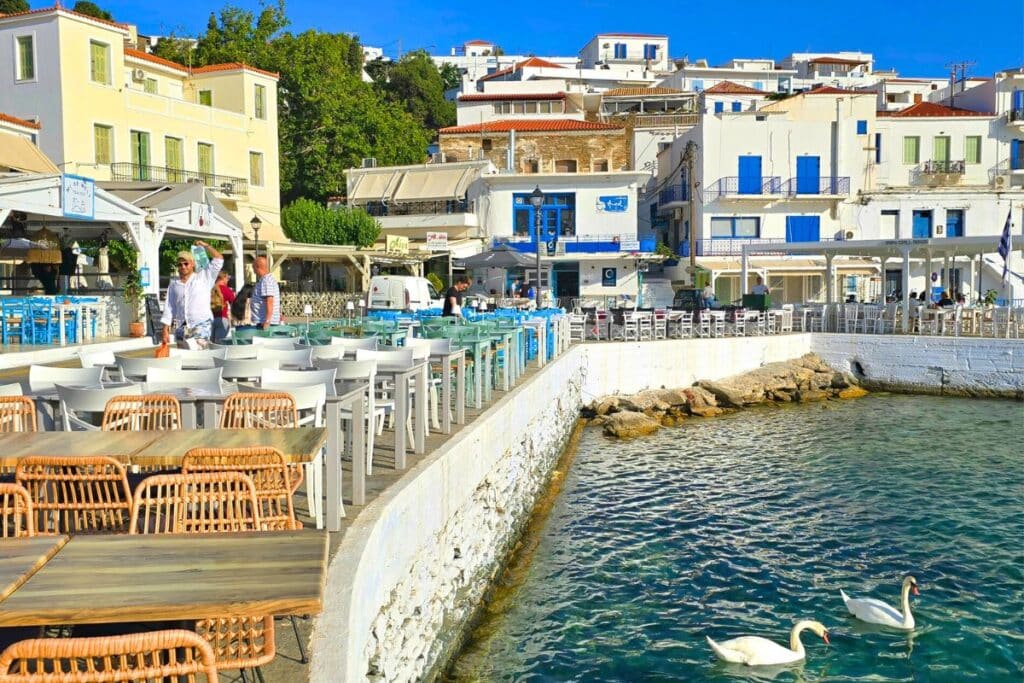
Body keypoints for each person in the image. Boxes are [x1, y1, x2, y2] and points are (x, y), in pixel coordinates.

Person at [160, 240, 223, 347]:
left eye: (186, 263)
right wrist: (165, 330)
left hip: (201, 324)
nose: (183, 266)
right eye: (180, 264)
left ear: (192, 264)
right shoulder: (174, 285)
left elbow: (218, 259)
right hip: (181, 326)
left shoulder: (204, 277)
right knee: (183, 358)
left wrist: (206, 246)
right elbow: (169, 308)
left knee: (198, 355)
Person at [249, 256, 280, 330]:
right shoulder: (266, 279)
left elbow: (270, 301)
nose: (253, 270)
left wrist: (267, 320)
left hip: (264, 322)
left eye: (253, 267)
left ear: (257, 267)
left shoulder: (266, 281)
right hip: (263, 321)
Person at [211, 270, 236, 342]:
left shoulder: (209, 289)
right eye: (227, 278)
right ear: (223, 278)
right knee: (219, 345)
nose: (228, 280)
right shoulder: (227, 290)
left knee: (209, 346)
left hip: (209, 320)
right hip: (222, 319)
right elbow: (234, 305)